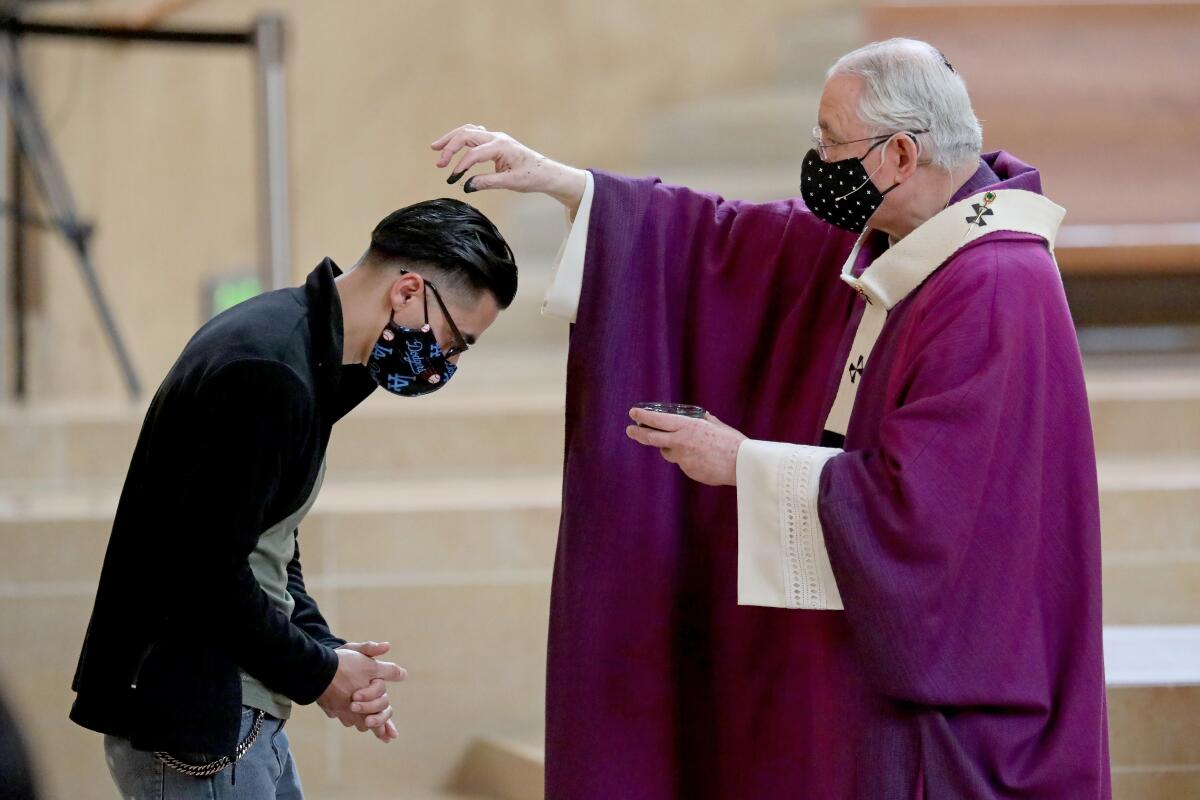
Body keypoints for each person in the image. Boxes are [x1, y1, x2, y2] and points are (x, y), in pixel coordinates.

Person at [431, 38, 1109, 799]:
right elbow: (722, 241)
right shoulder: (908, 239)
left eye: (828, 139)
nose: (815, 157)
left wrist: (743, 462)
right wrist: (563, 185)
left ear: (898, 154)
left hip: (941, 722)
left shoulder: (991, 285)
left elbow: (929, 520)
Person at [69, 199, 518, 798]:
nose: (449, 362)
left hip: (241, 711)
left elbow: (268, 539)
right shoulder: (270, 368)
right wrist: (320, 671)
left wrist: (323, 652)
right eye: (457, 340)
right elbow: (207, 574)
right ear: (409, 292)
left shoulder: (300, 346)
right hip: (199, 717)